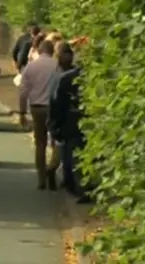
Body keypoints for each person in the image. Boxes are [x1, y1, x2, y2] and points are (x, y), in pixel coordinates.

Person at [48, 42, 91, 204]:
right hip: (76, 124)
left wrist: (54, 125)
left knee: (71, 158)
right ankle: (81, 187)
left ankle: (78, 188)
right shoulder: (72, 78)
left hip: (70, 125)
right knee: (75, 158)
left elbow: (55, 104)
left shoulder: (65, 78)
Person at [19, 40, 60, 190]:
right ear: (52, 51)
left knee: (40, 144)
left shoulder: (31, 66)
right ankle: (53, 167)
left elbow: (23, 92)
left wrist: (22, 112)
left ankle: (41, 178)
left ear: (40, 50)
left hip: (37, 108)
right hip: (54, 108)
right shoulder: (57, 66)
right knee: (56, 142)